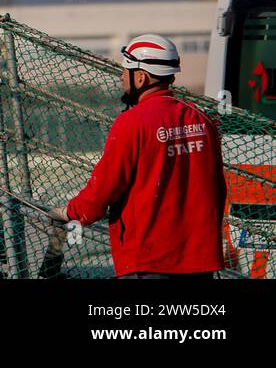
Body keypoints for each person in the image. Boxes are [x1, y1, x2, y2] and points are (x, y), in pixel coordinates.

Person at [56, 34, 227, 279]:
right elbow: (217, 188)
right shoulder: (202, 119)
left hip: (148, 261)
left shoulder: (131, 123)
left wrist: (70, 212)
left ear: (141, 77)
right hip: (199, 260)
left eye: (125, 71)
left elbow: (102, 191)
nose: (121, 77)